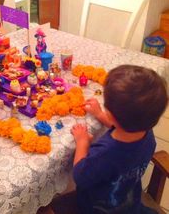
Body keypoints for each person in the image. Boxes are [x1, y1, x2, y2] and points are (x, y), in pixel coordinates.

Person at [53, 65, 168, 214]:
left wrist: (83, 142)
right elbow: (125, 127)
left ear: (112, 115)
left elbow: (80, 176)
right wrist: (101, 115)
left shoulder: (105, 153)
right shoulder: (148, 135)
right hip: (130, 204)